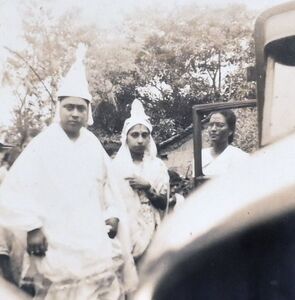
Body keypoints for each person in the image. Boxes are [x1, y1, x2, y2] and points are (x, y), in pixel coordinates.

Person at [0, 44, 136, 299]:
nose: (75, 113)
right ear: (59, 108)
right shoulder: (42, 144)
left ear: (88, 112)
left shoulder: (93, 145)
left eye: (80, 108)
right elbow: (13, 191)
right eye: (69, 107)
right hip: (55, 240)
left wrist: (114, 214)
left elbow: (110, 190)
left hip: (92, 239)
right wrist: (32, 227)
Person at [113, 99, 170, 262]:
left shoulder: (157, 166)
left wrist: (147, 187)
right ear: (126, 137)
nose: (140, 140)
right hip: (125, 228)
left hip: (151, 226)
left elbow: (163, 203)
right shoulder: (115, 167)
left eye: (145, 135)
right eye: (135, 135)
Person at [202, 109, 249, 177]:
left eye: (220, 125)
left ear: (230, 131)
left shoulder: (241, 157)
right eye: (211, 125)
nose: (213, 129)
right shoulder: (201, 155)